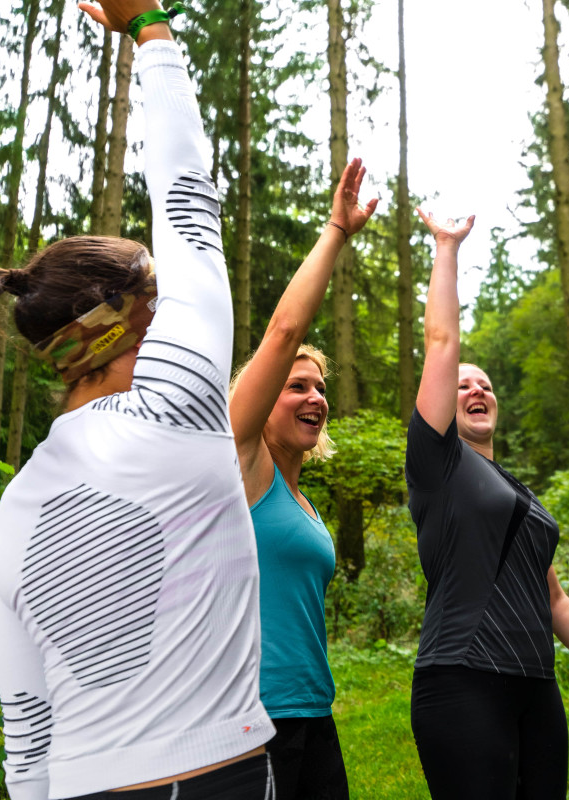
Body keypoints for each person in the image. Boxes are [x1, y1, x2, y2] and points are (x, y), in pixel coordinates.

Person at [0, 2, 275, 797]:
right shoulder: (181, 401)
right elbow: (189, 196)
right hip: (210, 778)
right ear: (135, 317)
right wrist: (148, 24)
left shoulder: (17, 507)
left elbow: (27, 735)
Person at [405, 208, 569, 799]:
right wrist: (447, 249)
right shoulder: (438, 465)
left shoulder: (517, 491)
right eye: (463, 384)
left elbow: (553, 596)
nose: (476, 389)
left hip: (534, 684)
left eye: (486, 384)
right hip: (463, 678)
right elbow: (441, 343)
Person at [227, 158, 378, 800]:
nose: (315, 397)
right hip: (251, 719)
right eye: (297, 386)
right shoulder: (244, 467)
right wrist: (336, 232)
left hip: (314, 713)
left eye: (320, 388)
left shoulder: (303, 502)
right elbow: (284, 332)